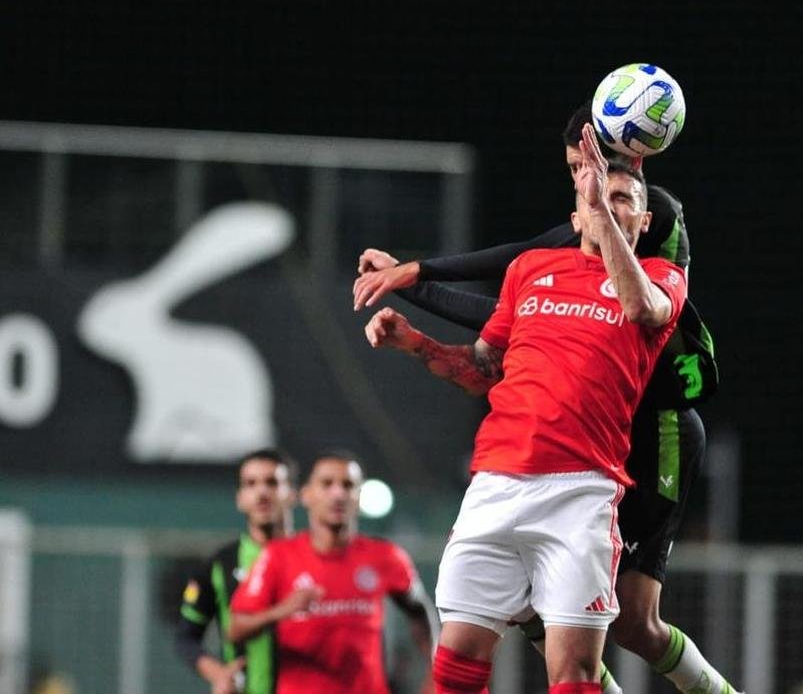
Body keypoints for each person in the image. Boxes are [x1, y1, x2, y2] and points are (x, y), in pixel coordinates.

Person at [353, 103, 737, 694]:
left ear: (644, 220)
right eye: (587, 186)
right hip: (496, 481)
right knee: (454, 667)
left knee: (612, 642)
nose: (602, 197)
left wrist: (603, 211)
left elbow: (642, 307)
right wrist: (414, 337)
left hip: (590, 482)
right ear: (573, 216)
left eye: (623, 198)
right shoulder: (532, 269)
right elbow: (483, 365)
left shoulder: (660, 278)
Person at [228, 449, 438, 694]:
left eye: (347, 485)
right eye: (327, 484)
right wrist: (281, 610)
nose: (338, 494)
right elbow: (236, 628)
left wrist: (436, 672)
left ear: (358, 497)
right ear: (306, 495)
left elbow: (419, 610)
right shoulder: (278, 556)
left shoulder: (386, 556)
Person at [175, 447, 297, 694]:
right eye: (251, 484)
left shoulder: (315, 560)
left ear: (292, 494)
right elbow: (186, 637)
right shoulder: (221, 564)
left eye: (272, 483)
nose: (262, 492)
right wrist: (218, 674)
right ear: (239, 498)